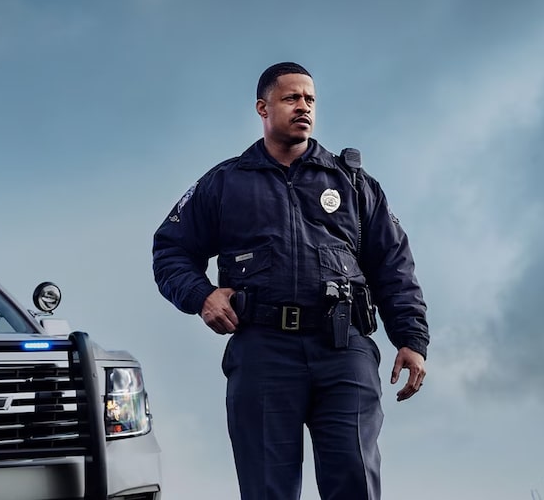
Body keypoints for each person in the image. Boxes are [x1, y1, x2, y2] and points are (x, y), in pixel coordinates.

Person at [151, 62, 429, 499]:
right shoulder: (225, 183)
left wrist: (411, 339)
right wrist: (202, 295)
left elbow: (393, 264)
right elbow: (170, 250)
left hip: (344, 349)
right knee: (267, 488)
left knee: (355, 477)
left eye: (310, 99)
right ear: (263, 108)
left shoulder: (353, 183)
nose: (304, 107)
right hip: (263, 351)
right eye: (291, 98)